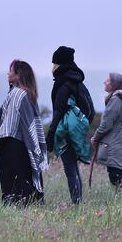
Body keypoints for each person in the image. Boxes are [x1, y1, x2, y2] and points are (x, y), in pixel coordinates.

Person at [0, 60, 48, 205]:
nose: (8, 73)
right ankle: (32, 207)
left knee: (11, 182)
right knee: (25, 180)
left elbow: (10, 123)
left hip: (12, 146)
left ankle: (15, 208)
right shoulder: (28, 94)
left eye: (11, 70)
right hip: (24, 146)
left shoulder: (18, 94)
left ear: (18, 75)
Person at [46, 46, 95, 204]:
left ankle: (76, 202)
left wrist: (50, 136)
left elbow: (58, 112)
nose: (52, 66)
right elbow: (90, 110)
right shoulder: (79, 82)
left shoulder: (62, 84)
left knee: (70, 168)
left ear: (59, 64)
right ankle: (78, 201)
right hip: (78, 130)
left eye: (54, 63)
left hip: (65, 131)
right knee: (73, 166)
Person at [91, 72, 122, 191]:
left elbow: (106, 124)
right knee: (116, 174)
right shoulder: (118, 99)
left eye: (107, 81)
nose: (105, 82)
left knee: (116, 175)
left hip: (114, 144)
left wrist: (95, 137)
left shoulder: (115, 100)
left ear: (113, 85)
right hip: (118, 142)